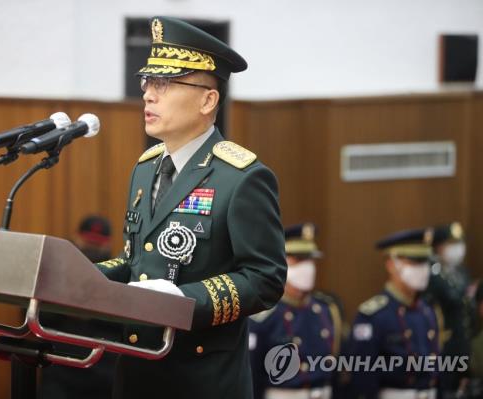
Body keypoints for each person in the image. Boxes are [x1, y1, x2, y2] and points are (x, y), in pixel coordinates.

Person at [94, 16, 287, 399]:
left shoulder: (242, 177)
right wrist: (75, 274)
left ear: (207, 99)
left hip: (201, 379)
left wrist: (186, 301)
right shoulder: (146, 167)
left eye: (164, 84)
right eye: (148, 82)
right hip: (136, 371)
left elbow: (266, 278)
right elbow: (135, 260)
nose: (148, 94)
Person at [346, 227, 442, 399]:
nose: (423, 269)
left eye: (425, 263)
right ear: (392, 264)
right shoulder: (374, 316)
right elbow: (363, 379)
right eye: (414, 262)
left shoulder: (428, 312)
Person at [249, 223, 342, 399]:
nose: (307, 268)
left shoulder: (326, 310)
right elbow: (253, 375)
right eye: (299, 260)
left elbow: (335, 373)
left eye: (310, 260)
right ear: (281, 262)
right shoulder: (263, 315)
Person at [40, 215, 118, 399]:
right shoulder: (56, 270)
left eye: (97, 244)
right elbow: (35, 314)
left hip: (105, 374)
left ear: (108, 245)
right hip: (60, 368)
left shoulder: (119, 276)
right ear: (76, 238)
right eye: (88, 242)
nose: (92, 249)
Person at [424, 222, 474, 399]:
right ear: (438, 246)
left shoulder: (461, 272)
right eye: (451, 244)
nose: (458, 249)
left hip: (463, 347)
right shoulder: (431, 274)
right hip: (443, 349)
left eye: (459, 243)